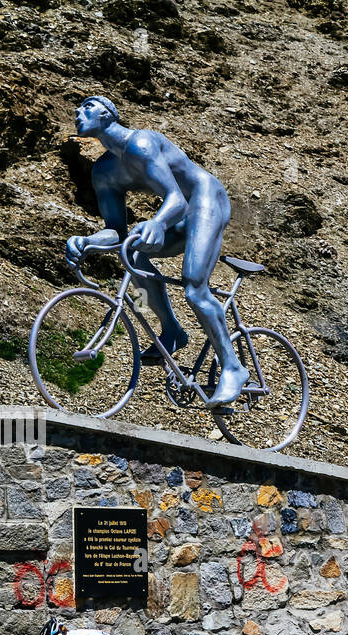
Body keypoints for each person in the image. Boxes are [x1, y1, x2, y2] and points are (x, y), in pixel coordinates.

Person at [65, 94, 248, 406]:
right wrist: (87, 241)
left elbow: (175, 198)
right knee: (132, 254)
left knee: (194, 289)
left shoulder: (142, 144)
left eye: (87, 106)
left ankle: (233, 367)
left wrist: (158, 223)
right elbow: (116, 232)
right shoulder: (103, 172)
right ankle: (172, 330)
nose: (77, 113)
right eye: (77, 108)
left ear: (109, 114)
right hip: (178, 215)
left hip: (204, 201)